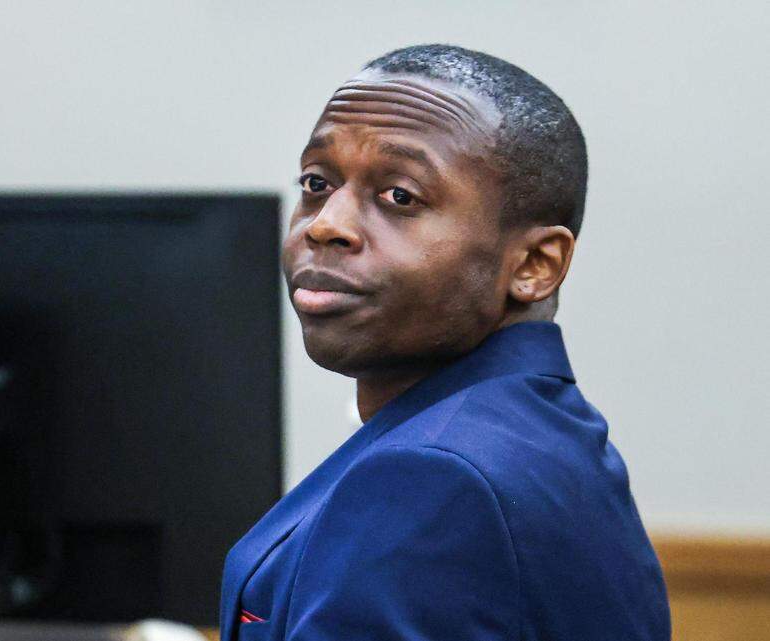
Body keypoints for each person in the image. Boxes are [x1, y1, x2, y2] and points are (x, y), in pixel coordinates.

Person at [220, 44, 670, 641]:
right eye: (316, 182)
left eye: (400, 196)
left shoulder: (432, 481)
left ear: (535, 263)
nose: (325, 223)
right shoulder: (542, 431)